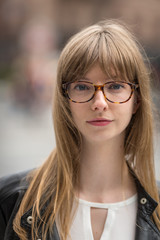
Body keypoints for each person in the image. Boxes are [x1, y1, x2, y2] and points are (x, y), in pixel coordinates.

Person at [0, 20, 160, 240]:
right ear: (66, 100)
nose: (100, 102)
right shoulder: (10, 201)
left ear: (137, 100)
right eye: (82, 87)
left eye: (115, 86)